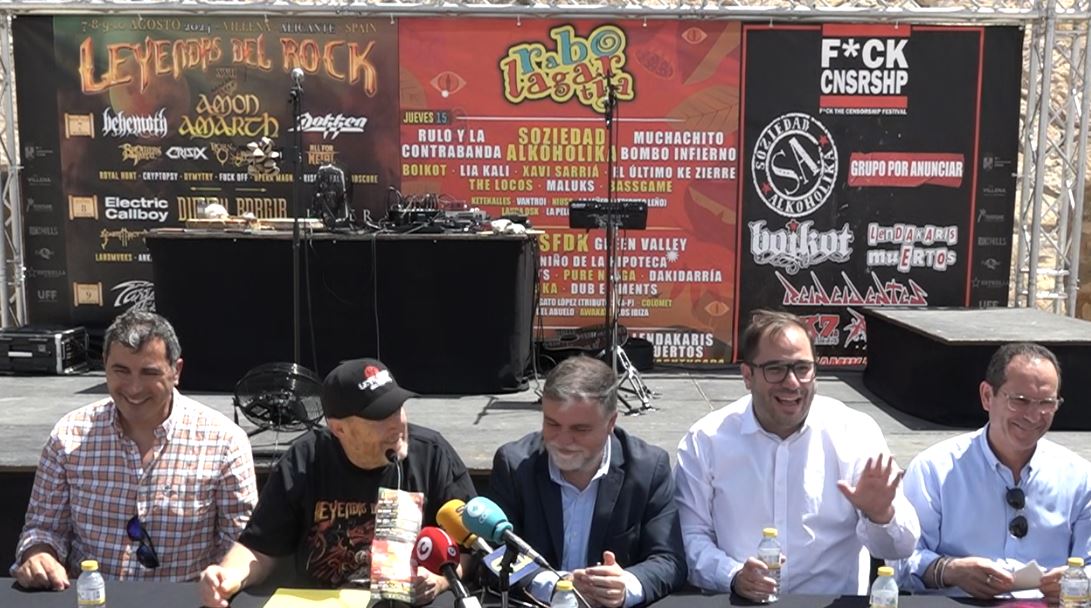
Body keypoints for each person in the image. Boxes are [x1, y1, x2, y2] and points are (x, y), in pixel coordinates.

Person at [674, 309, 920, 598]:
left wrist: (881, 515)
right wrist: (734, 575)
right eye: (775, 369)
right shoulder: (706, 440)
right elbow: (690, 538)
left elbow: (900, 549)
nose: (791, 382)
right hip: (742, 603)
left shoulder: (855, 433)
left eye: (802, 368)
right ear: (747, 375)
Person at [199, 358, 476, 607]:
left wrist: (442, 579)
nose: (397, 423)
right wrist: (228, 575)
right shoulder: (305, 460)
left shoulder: (432, 455)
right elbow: (259, 547)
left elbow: (474, 550)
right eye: (379, 416)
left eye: (398, 408)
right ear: (339, 428)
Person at [11, 310, 257, 589]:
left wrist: (224, 579)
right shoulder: (68, 436)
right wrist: (40, 555)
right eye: (121, 371)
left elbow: (242, 543)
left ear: (176, 371)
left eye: (149, 372)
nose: (134, 388)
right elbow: (42, 529)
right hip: (92, 599)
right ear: (104, 365)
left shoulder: (224, 442)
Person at [892, 342, 1091, 601]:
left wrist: (1080, 580)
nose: (1033, 415)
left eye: (1046, 403)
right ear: (987, 396)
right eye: (1020, 401)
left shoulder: (1079, 476)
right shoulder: (935, 469)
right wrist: (950, 571)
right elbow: (900, 561)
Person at [488, 356, 687, 607]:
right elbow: (492, 554)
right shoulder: (514, 465)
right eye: (552, 424)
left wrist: (624, 585)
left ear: (611, 423)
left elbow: (669, 559)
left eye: (580, 429)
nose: (563, 440)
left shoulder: (648, 468)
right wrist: (557, 587)